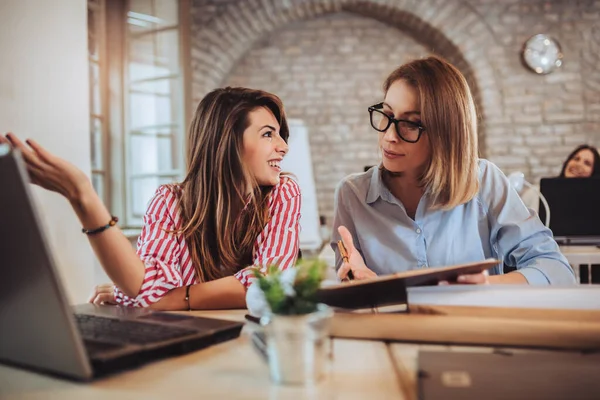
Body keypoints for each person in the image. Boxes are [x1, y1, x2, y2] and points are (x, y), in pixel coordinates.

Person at [1, 87, 302, 309]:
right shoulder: (169, 200)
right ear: (228, 142)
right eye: (268, 134)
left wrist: (171, 297)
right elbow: (146, 291)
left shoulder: (283, 193)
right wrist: (81, 193)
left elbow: (268, 282)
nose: (283, 146)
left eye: (279, 134)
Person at [331, 56, 575, 285]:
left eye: (410, 124)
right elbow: (353, 284)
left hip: (471, 329)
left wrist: (488, 285)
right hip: (393, 330)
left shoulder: (484, 180)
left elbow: (557, 270)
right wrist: (355, 283)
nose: (389, 136)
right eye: (387, 115)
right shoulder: (352, 194)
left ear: (446, 132)